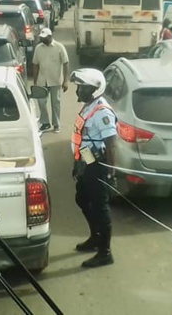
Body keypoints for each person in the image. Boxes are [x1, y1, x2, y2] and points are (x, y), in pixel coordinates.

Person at [69, 68, 117, 268]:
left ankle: (105, 252)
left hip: (97, 166)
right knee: (82, 198)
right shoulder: (89, 106)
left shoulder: (102, 111)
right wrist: (77, 162)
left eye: (82, 87)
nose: (78, 90)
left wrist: (111, 172)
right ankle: (95, 237)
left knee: (100, 207)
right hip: (86, 162)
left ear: (95, 89)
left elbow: (111, 144)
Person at [33, 28, 69, 133]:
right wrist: (35, 81)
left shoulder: (59, 47)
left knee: (55, 103)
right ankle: (45, 122)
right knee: (41, 102)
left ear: (50, 36)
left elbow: (66, 63)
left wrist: (66, 80)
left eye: (44, 38)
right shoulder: (38, 48)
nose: (42, 39)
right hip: (42, 80)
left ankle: (56, 124)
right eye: (41, 38)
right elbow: (35, 64)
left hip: (55, 80)